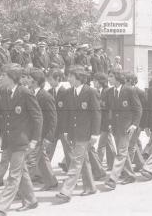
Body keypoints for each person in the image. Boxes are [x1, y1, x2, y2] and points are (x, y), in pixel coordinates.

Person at [0, 64, 42, 216]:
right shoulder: (2, 92)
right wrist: (0, 131)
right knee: (21, 171)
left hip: (22, 141)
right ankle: (31, 200)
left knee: (13, 175)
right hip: (7, 140)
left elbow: (37, 118)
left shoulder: (25, 93)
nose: (0, 78)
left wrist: (34, 140)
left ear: (12, 77)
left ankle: (1, 207)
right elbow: (0, 115)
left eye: (3, 75)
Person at [56, 66, 101, 202]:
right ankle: (91, 187)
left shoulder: (91, 92)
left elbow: (96, 113)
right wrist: (65, 130)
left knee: (75, 161)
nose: (68, 79)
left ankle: (66, 190)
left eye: (71, 76)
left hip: (86, 133)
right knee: (83, 160)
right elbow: (67, 114)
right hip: (74, 133)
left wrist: (95, 133)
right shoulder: (69, 92)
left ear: (79, 78)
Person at [104, 69, 142, 190]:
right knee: (123, 153)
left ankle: (113, 178)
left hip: (127, 127)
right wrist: (109, 123)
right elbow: (109, 110)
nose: (108, 79)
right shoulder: (110, 92)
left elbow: (138, 109)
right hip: (115, 127)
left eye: (111, 76)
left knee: (121, 152)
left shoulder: (129, 90)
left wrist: (134, 125)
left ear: (118, 78)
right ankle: (130, 175)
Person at [25, 67, 58, 191]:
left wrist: (49, 137)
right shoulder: (30, 93)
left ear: (35, 81)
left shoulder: (46, 96)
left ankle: (21, 189)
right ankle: (51, 181)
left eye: (29, 78)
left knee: (31, 162)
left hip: (41, 135)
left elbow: (52, 119)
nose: (27, 80)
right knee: (42, 160)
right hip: (32, 133)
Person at [46, 68, 72, 170]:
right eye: (48, 80)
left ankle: (72, 172)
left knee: (68, 151)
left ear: (58, 79)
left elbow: (68, 112)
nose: (49, 82)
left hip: (64, 127)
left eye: (51, 80)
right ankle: (42, 173)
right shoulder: (48, 92)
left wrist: (67, 129)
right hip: (53, 128)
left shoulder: (65, 92)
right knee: (48, 150)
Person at [93, 72, 116, 171]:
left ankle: (97, 168)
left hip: (107, 122)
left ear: (100, 82)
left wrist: (110, 123)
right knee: (108, 144)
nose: (93, 82)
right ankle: (113, 164)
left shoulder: (107, 91)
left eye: (94, 81)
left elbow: (110, 108)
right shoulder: (98, 91)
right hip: (102, 122)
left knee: (101, 145)